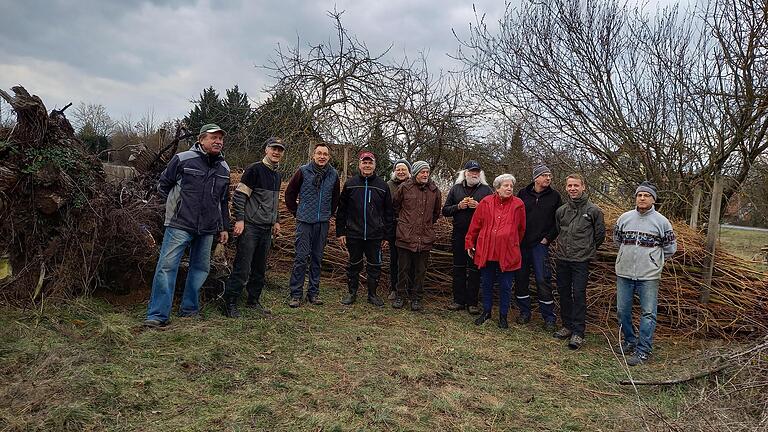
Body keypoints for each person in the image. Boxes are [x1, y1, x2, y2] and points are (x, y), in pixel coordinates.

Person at [143, 124, 231, 327]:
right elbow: (163, 185)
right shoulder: (183, 159)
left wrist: (223, 227)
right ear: (201, 140)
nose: (218, 141)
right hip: (180, 224)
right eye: (213, 138)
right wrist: (172, 211)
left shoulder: (224, 168)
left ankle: (189, 309)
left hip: (207, 228)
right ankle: (157, 315)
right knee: (166, 267)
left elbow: (223, 200)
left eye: (220, 138)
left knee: (200, 269)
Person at [613, 181, 676, 366]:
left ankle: (643, 350)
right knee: (622, 310)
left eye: (646, 195)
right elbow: (617, 240)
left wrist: (652, 260)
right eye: (639, 195)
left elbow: (670, 248)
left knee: (648, 313)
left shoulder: (662, 222)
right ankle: (630, 341)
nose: (642, 198)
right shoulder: (624, 218)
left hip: (648, 275)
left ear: (653, 199)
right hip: (624, 272)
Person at [222, 137, 285, 318]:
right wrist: (240, 220)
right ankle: (230, 302)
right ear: (266, 149)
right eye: (273, 148)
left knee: (259, 268)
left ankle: (253, 301)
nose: (276, 152)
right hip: (251, 227)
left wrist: (276, 221)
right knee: (243, 267)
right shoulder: (254, 169)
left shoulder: (276, 175)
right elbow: (240, 196)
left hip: (266, 228)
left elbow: (273, 202)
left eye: (280, 150)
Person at [465, 174, 526, 328]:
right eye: (506, 186)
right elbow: (475, 224)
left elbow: (521, 229)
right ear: (497, 188)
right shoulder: (486, 202)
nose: (509, 188)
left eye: (511, 186)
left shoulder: (518, 204)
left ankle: (503, 316)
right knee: (486, 283)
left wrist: (511, 242)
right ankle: (486, 312)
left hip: (508, 252)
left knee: (505, 286)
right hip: (487, 250)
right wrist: (469, 242)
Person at [551, 174, 605, 349]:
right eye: (569, 186)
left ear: (583, 187)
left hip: (581, 260)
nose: (572, 189)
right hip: (562, 258)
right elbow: (559, 230)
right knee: (563, 293)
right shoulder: (562, 211)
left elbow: (599, 235)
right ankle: (567, 326)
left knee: (579, 295)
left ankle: (578, 332)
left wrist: (587, 249)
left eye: (576, 185)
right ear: (566, 188)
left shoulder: (593, 211)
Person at [284, 143, 340, 308]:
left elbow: (336, 197)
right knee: (301, 258)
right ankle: (296, 294)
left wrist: (328, 214)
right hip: (305, 223)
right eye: (319, 153)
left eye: (325, 154)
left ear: (328, 157)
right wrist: (297, 212)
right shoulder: (303, 171)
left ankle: (313, 293)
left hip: (322, 223)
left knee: (317, 259)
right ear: (313, 156)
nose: (322, 157)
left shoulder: (333, 174)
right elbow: (290, 193)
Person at [337, 151, 394, 307]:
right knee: (353, 264)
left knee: (374, 265)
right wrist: (340, 231)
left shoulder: (382, 186)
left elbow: (388, 212)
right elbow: (341, 210)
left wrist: (387, 236)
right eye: (364, 162)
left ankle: (372, 295)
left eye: (370, 163)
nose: (367, 165)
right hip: (354, 233)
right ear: (360, 165)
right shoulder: (350, 183)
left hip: (375, 235)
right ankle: (352, 293)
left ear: (374, 165)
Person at [515, 164, 563, 329]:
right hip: (522, 244)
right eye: (544, 175)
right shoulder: (523, 193)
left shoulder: (555, 197)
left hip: (540, 245)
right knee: (521, 278)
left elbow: (559, 222)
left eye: (549, 175)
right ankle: (524, 312)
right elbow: (515, 216)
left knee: (543, 279)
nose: (548, 178)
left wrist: (547, 238)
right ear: (536, 178)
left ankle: (549, 317)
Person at [442, 160, 493, 315]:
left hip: (479, 237)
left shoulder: (486, 190)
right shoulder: (456, 189)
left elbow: (494, 213)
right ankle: (458, 301)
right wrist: (458, 207)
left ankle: (472, 303)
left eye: (477, 171)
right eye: (472, 171)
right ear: (465, 173)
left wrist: (479, 207)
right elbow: (445, 211)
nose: (474, 174)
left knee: (475, 270)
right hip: (459, 235)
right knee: (458, 268)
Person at [392, 160, 442, 311]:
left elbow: (436, 213)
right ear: (415, 173)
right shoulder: (404, 187)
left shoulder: (435, 191)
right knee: (403, 268)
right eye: (422, 172)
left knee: (420, 270)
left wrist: (425, 225)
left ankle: (417, 298)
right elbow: (396, 206)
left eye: (427, 172)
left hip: (425, 237)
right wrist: (405, 223)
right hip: (405, 235)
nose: (425, 174)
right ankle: (400, 296)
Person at [386, 159, 411, 300]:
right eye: (398, 169)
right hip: (394, 226)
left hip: (410, 228)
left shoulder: (413, 185)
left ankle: (408, 288)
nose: (401, 172)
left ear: (409, 171)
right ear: (394, 171)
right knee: (395, 259)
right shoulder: (388, 186)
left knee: (409, 259)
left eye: (404, 169)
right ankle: (394, 288)